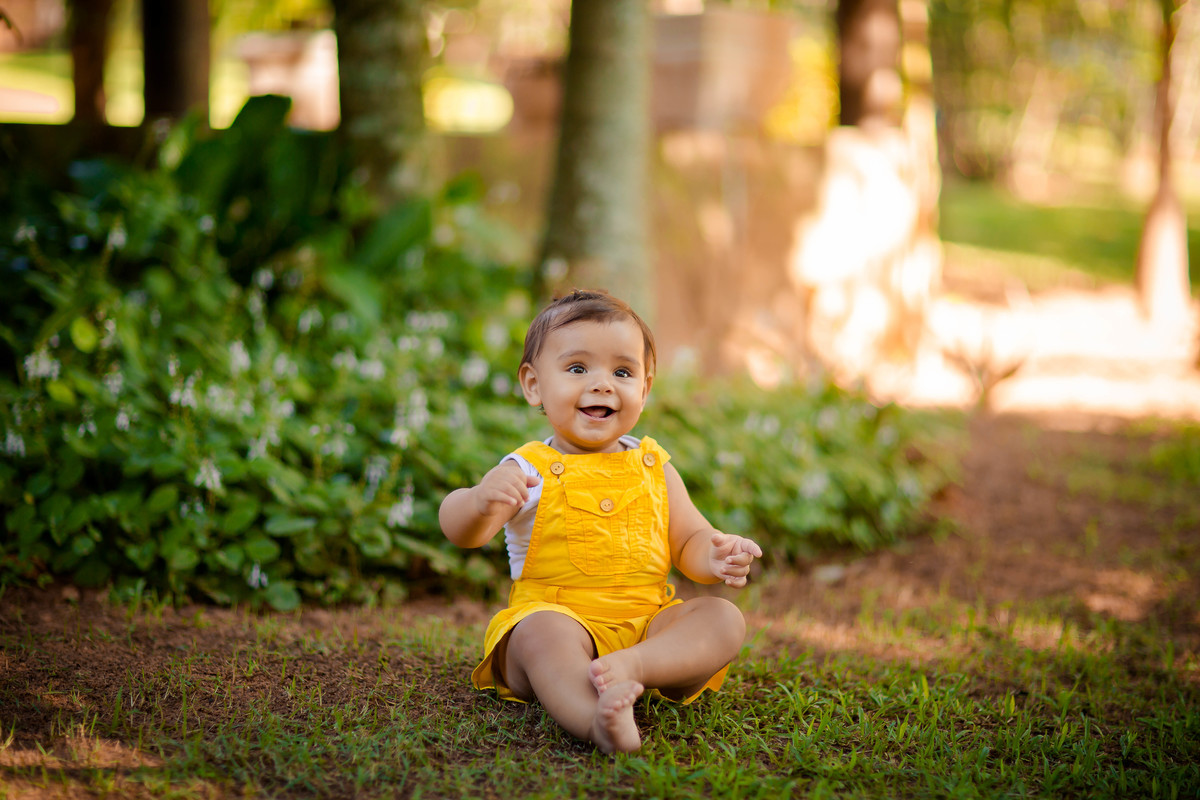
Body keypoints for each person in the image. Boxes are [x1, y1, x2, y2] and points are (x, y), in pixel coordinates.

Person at [439, 289, 762, 754]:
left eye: (623, 372)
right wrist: (478, 500)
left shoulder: (654, 465)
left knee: (722, 618)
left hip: (645, 625)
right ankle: (598, 721)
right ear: (533, 385)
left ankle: (637, 667)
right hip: (559, 619)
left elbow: (689, 538)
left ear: (645, 389)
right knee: (538, 633)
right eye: (577, 368)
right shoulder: (527, 469)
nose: (602, 384)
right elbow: (461, 531)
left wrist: (713, 554)